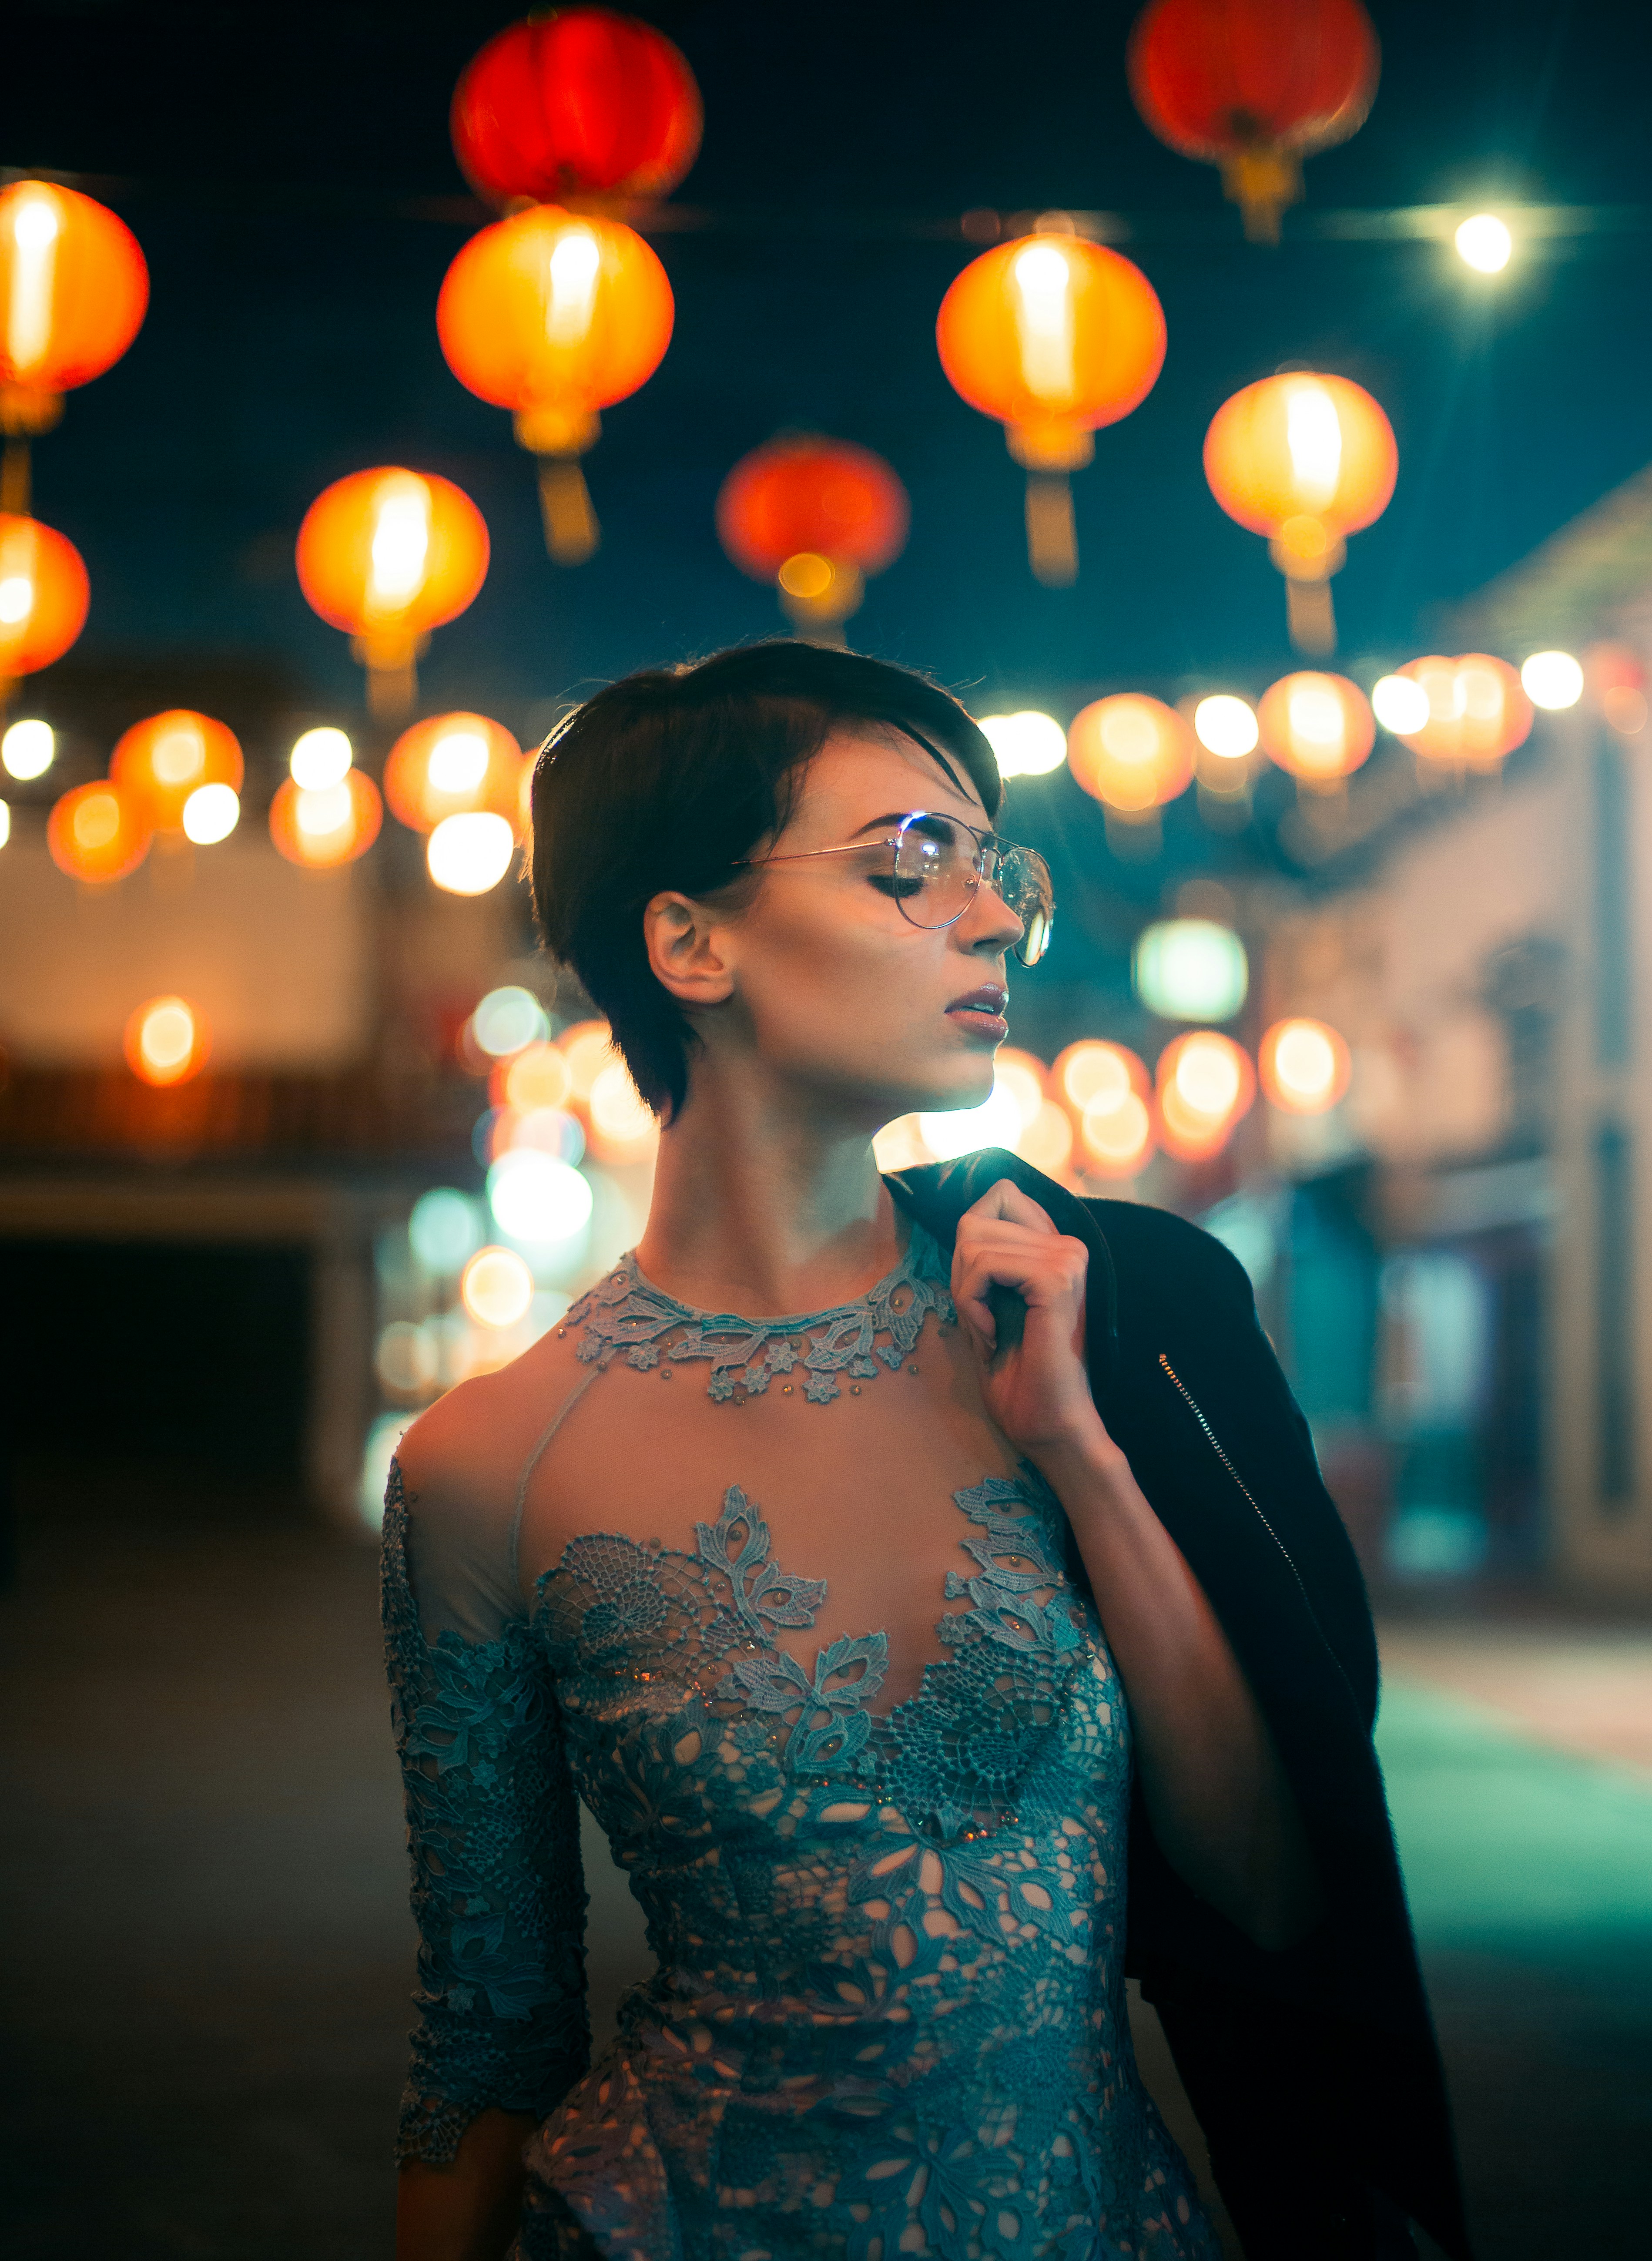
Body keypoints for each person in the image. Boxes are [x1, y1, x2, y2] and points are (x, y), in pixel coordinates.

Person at [384, 642, 1468, 2261]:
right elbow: (489, 2040)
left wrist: (1083, 1453)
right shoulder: (488, 1466)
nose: (992, 918)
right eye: (909, 862)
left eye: (996, 868)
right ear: (688, 940)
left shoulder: (1091, 1321)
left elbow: (1271, 1892)